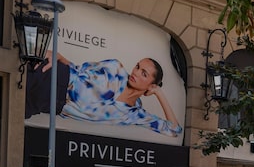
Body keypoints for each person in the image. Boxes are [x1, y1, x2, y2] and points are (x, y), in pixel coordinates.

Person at [25, 53, 183, 137]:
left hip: (51, 104)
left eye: (144, 73)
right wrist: (59, 56)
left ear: (152, 85)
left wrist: (159, 93)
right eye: (137, 66)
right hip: (54, 76)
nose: (135, 72)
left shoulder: (134, 115)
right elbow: (79, 69)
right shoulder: (115, 68)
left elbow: (174, 130)